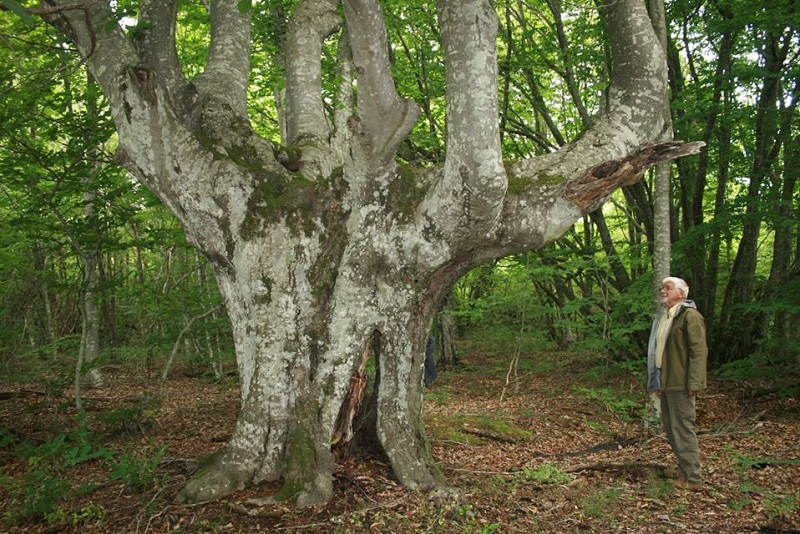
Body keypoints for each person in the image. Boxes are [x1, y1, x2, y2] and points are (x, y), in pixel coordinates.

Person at [647, 276, 708, 491]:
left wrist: (694, 382)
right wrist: (656, 382)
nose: (663, 291)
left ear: (681, 293)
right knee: (672, 429)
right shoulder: (664, 316)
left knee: (683, 428)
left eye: (668, 288)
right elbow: (658, 352)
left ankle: (693, 478)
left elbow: (698, 352)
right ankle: (684, 471)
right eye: (662, 288)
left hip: (682, 383)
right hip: (666, 382)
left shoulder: (690, 316)